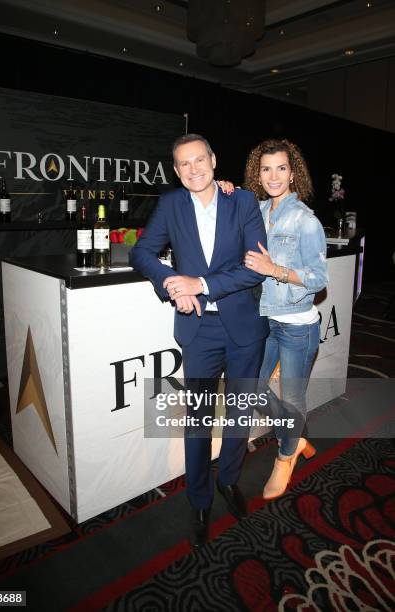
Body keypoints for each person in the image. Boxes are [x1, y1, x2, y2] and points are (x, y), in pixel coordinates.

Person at [130, 134, 268, 548]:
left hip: (244, 327)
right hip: (199, 331)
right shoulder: (171, 204)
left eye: (199, 160)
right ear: (176, 170)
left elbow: (255, 269)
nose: (193, 169)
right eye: (183, 164)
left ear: (213, 159)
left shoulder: (242, 202)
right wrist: (173, 284)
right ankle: (199, 498)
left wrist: (201, 283)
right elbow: (142, 253)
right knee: (198, 420)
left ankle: (228, 480)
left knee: (240, 414)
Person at [242, 138, 328, 499]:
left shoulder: (305, 219)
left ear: (293, 174)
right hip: (264, 321)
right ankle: (292, 432)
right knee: (251, 391)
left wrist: (275, 269)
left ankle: (285, 456)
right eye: (266, 168)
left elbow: (319, 278)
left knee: (293, 401)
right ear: (257, 174)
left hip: (297, 326)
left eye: (281, 168)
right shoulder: (256, 211)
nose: (273, 175)